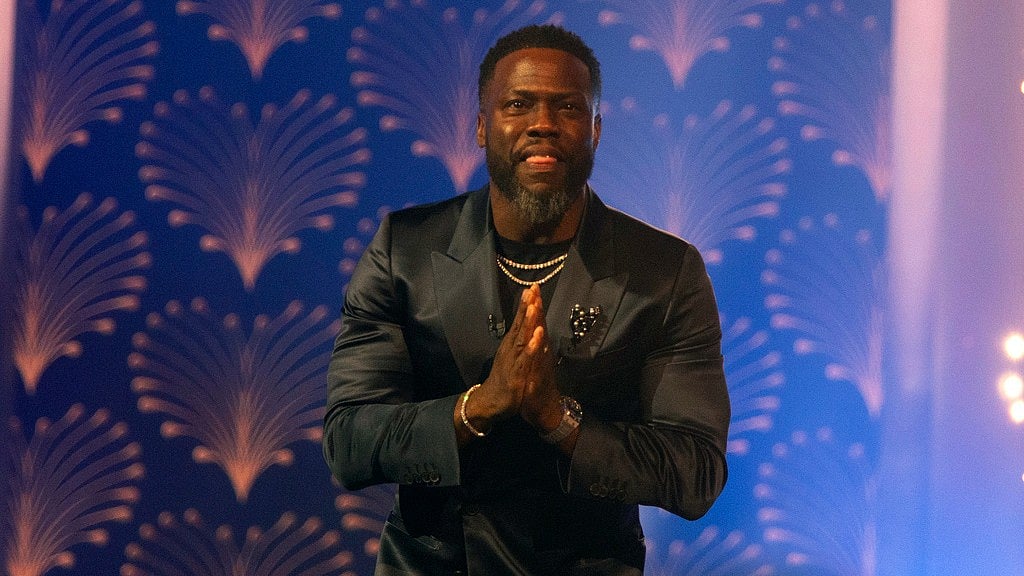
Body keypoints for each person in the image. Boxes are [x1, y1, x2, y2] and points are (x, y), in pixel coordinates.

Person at [323, 24, 730, 575]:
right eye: (518, 105)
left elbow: (695, 471)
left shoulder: (663, 272)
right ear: (482, 127)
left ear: (595, 130)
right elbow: (349, 442)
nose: (543, 123)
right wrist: (479, 406)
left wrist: (560, 422)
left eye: (568, 107)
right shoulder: (405, 252)